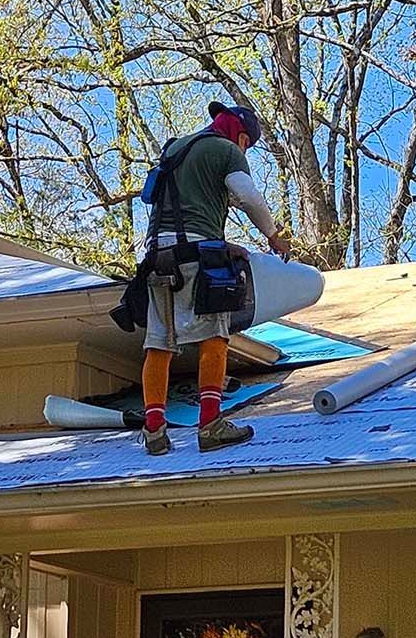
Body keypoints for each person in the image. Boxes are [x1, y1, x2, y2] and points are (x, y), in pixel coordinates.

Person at [114, 100, 294, 456]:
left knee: (160, 343)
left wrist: (223, 244)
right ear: (242, 137)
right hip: (196, 260)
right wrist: (273, 235)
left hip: (156, 258)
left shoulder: (176, 148)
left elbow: (181, 215)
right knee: (214, 338)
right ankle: (210, 425)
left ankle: (154, 431)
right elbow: (247, 196)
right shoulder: (226, 149)